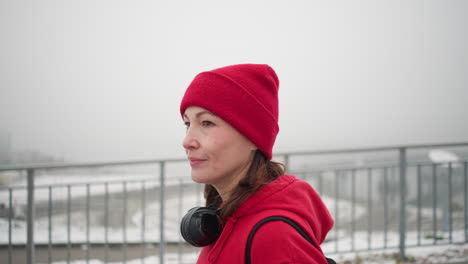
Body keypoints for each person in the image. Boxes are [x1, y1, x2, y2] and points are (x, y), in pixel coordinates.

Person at [179, 64, 334, 263]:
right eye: (187, 124)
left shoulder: (273, 235)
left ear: (253, 137)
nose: (187, 141)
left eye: (207, 123)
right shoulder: (225, 216)